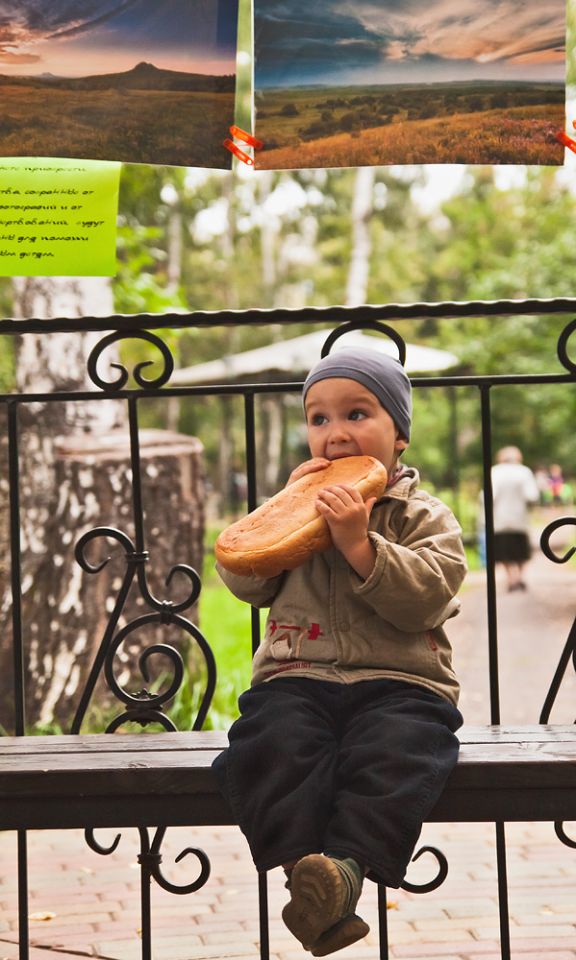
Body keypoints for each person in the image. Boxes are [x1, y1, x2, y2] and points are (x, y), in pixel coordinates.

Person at [212, 348, 467, 956]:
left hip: (401, 684)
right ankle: (310, 873)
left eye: (357, 413)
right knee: (267, 744)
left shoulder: (423, 515)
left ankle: (347, 867)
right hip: (296, 677)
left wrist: (360, 543)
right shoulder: (296, 506)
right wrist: (282, 516)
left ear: (399, 435)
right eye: (319, 419)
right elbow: (247, 582)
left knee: (400, 755)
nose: (336, 433)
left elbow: (427, 599)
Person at [491, 446, 539, 592]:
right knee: (521, 552)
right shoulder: (524, 472)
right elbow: (532, 496)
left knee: (504, 552)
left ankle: (511, 578)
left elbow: (489, 496)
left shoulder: (495, 471)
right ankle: (520, 577)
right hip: (520, 519)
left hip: (500, 520)